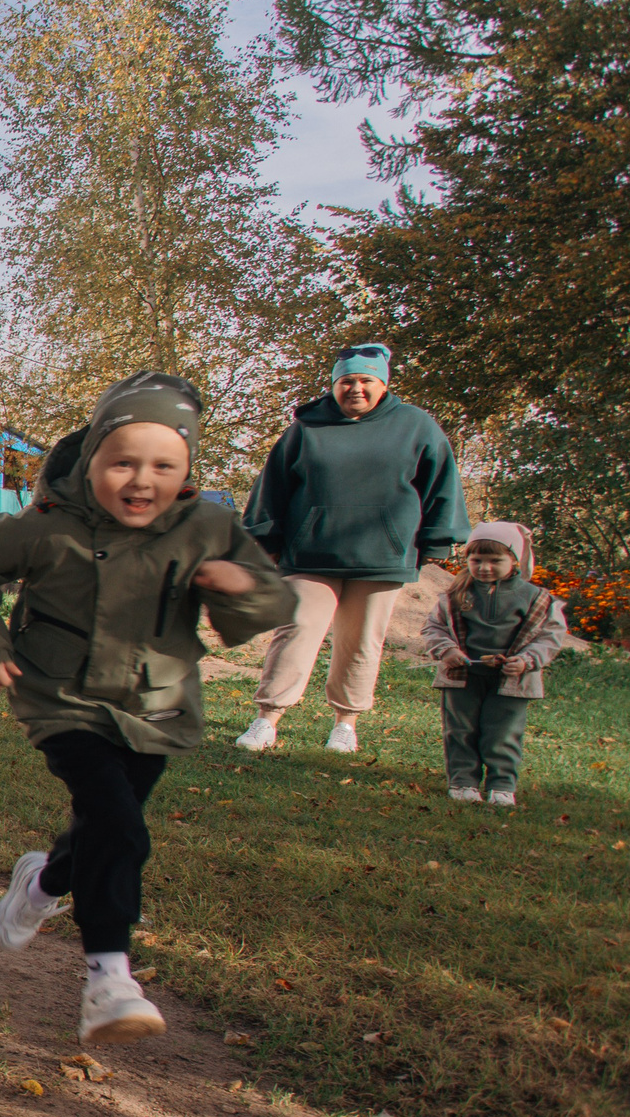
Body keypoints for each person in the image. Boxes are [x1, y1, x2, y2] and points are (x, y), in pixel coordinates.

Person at [0, 373, 293, 1043]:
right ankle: (109, 978)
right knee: (121, 827)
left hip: (158, 705)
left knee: (104, 823)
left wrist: (239, 585)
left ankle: (42, 885)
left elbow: (274, 599)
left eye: (163, 466)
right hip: (60, 699)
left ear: (186, 471)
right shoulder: (49, 526)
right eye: (123, 462)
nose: (141, 480)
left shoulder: (207, 527)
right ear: (92, 458)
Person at [237, 343, 467, 755]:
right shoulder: (306, 427)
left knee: (361, 642)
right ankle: (266, 719)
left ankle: (345, 724)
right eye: (346, 381)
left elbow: (441, 484)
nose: (356, 388)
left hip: (382, 556)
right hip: (310, 553)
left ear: (383, 385)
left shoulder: (415, 425)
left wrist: (437, 539)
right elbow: (273, 485)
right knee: (296, 628)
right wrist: (266, 539)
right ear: (334, 385)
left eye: (365, 380)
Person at [418, 522, 568, 807]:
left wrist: (526, 661)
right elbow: (433, 627)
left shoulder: (536, 598)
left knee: (503, 733)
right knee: (460, 730)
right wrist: (446, 650)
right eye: (476, 560)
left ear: (514, 559)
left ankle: (502, 785)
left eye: (495, 560)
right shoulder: (456, 594)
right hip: (463, 676)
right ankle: (463, 782)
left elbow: (550, 637)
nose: (484, 568)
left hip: (512, 679)